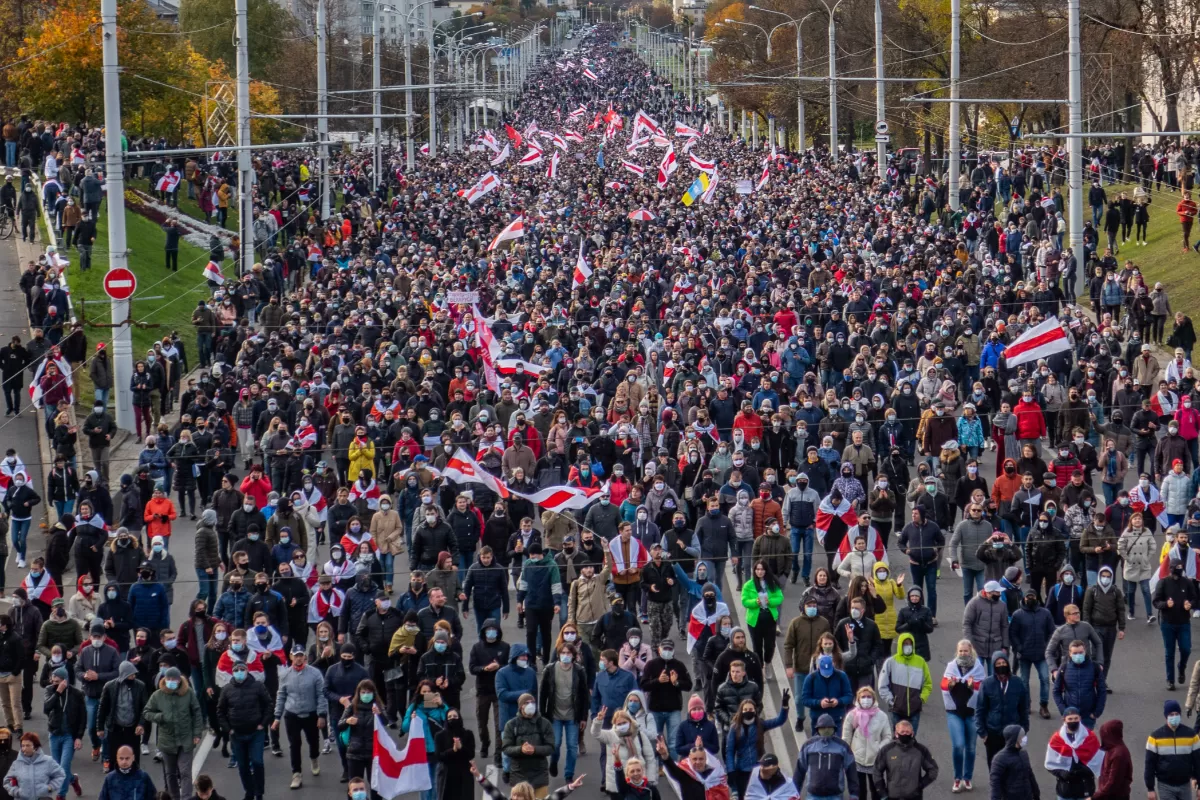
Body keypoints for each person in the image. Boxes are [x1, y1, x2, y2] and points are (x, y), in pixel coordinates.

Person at [140, 667, 203, 800]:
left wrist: (197, 733)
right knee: (170, 773)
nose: (171, 681)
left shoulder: (188, 693)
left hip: (186, 739)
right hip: (167, 740)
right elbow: (146, 712)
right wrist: (160, 717)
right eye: (168, 679)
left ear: (179, 679)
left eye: (174, 679)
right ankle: (175, 797)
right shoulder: (158, 695)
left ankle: (186, 797)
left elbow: (196, 712)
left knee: (185, 772)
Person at [216, 661, 271, 800]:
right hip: (237, 734)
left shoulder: (258, 686)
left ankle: (259, 793)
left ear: (247, 671)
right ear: (233, 672)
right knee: (242, 766)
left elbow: (269, 705)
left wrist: (263, 724)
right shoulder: (227, 689)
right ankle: (249, 792)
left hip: (255, 733)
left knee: (257, 762)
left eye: (242, 669)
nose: (240, 672)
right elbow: (220, 711)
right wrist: (228, 730)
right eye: (237, 669)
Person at [538, 642, 587, 783]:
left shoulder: (579, 671)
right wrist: (542, 715)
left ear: (573, 656)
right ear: (558, 654)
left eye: (569, 653)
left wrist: (583, 717)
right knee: (556, 743)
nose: (566, 656)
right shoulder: (550, 670)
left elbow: (584, 696)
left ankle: (569, 774)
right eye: (563, 653)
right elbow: (544, 695)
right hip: (555, 715)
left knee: (572, 746)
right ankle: (554, 761)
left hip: (573, 715)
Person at [975, 651, 1029, 767]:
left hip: (1013, 732)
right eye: (998, 664)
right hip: (993, 732)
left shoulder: (1017, 682)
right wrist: (983, 733)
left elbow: (1023, 708)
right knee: (995, 766)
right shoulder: (987, 683)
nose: (1001, 666)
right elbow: (980, 709)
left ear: (1008, 664)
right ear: (994, 666)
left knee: (1013, 766)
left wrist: (1024, 729)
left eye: (1003, 663)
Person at [792, 713, 858, 800]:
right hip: (813, 796)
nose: (826, 730)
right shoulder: (808, 746)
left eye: (829, 728)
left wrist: (854, 794)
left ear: (834, 729)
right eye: (823, 728)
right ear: (817, 729)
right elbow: (799, 772)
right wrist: (794, 793)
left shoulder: (843, 747)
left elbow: (851, 772)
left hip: (835, 796)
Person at [95, 662, 147, 772]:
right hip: (115, 728)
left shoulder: (140, 686)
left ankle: (134, 779)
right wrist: (99, 727)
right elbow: (103, 707)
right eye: (130, 675)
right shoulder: (110, 686)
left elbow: (145, 708)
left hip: (133, 729)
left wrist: (141, 724)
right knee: (115, 757)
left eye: (134, 675)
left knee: (133, 757)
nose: (133, 677)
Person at [42, 667, 84, 800]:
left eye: (57, 681)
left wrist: (79, 737)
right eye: (53, 681)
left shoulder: (77, 694)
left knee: (64, 766)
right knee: (57, 769)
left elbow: (83, 717)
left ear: (65, 680)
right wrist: (58, 692)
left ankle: (61, 795)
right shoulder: (50, 690)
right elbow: (46, 708)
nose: (54, 683)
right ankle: (73, 779)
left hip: (69, 736)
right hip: (54, 733)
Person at [1044, 707, 1104, 800]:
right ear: (1064, 720)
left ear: (1080, 718)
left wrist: (1085, 770)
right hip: (1065, 789)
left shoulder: (1090, 737)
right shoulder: (1056, 740)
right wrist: (1062, 773)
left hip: (1085, 787)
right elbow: (1050, 764)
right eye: (1070, 719)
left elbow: (1099, 762)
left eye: (1075, 718)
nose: (1073, 721)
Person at [877, 633, 932, 734]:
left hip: (914, 710)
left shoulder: (921, 662)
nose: (908, 646)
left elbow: (927, 684)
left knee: (912, 740)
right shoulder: (891, 662)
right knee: (897, 740)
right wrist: (891, 700)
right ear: (900, 645)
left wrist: (921, 699)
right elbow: (882, 685)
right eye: (905, 644)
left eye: (910, 644)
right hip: (896, 710)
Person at [842, 687, 890, 800]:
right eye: (863, 697)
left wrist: (879, 748)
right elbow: (846, 736)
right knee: (860, 791)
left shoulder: (882, 716)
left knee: (876, 791)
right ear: (858, 699)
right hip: (857, 759)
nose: (866, 699)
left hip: (875, 760)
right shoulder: (852, 715)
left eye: (869, 697)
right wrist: (847, 754)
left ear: (874, 699)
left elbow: (887, 736)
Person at [502, 692, 554, 796]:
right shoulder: (511, 725)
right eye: (527, 703)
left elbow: (550, 747)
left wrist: (534, 749)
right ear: (521, 706)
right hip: (519, 776)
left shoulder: (544, 723)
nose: (530, 705)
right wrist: (521, 749)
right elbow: (506, 748)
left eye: (533, 702)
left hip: (539, 775)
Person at [871, 719, 937, 800]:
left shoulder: (921, 750)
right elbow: (876, 770)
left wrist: (920, 785)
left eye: (907, 732)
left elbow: (933, 769)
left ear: (912, 733)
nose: (905, 734)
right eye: (902, 732)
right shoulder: (887, 750)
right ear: (896, 733)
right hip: (892, 796)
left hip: (914, 797)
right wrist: (882, 792)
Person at [739, 560, 782, 666]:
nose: (760, 571)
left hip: (770, 618)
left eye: (762, 569)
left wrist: (770, 602)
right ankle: (759, 667)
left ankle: (768, 662)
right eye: (757, 569)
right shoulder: (748, 585)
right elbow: (744, 601)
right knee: (757, 646)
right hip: (754, 620)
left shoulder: (772, 583)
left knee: (770, 645)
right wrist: (755, 602)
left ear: (766, 570)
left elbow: (780, 597)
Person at [4, 733, 64, 800]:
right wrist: (16, 792)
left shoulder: (48, 761)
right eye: (23, 746)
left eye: (28, 745)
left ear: (35, 747)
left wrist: (50, 787)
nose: (24, 748)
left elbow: (60, 775)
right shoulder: (17, 763)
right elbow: (6, 781)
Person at [988, 724, 1041, 800]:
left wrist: (1036, 793)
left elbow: (1030, 775)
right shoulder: (999, 759)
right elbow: (995, 784)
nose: (1024, 739)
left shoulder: (1024, 754)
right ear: (1014, 739)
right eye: (1022, 737)